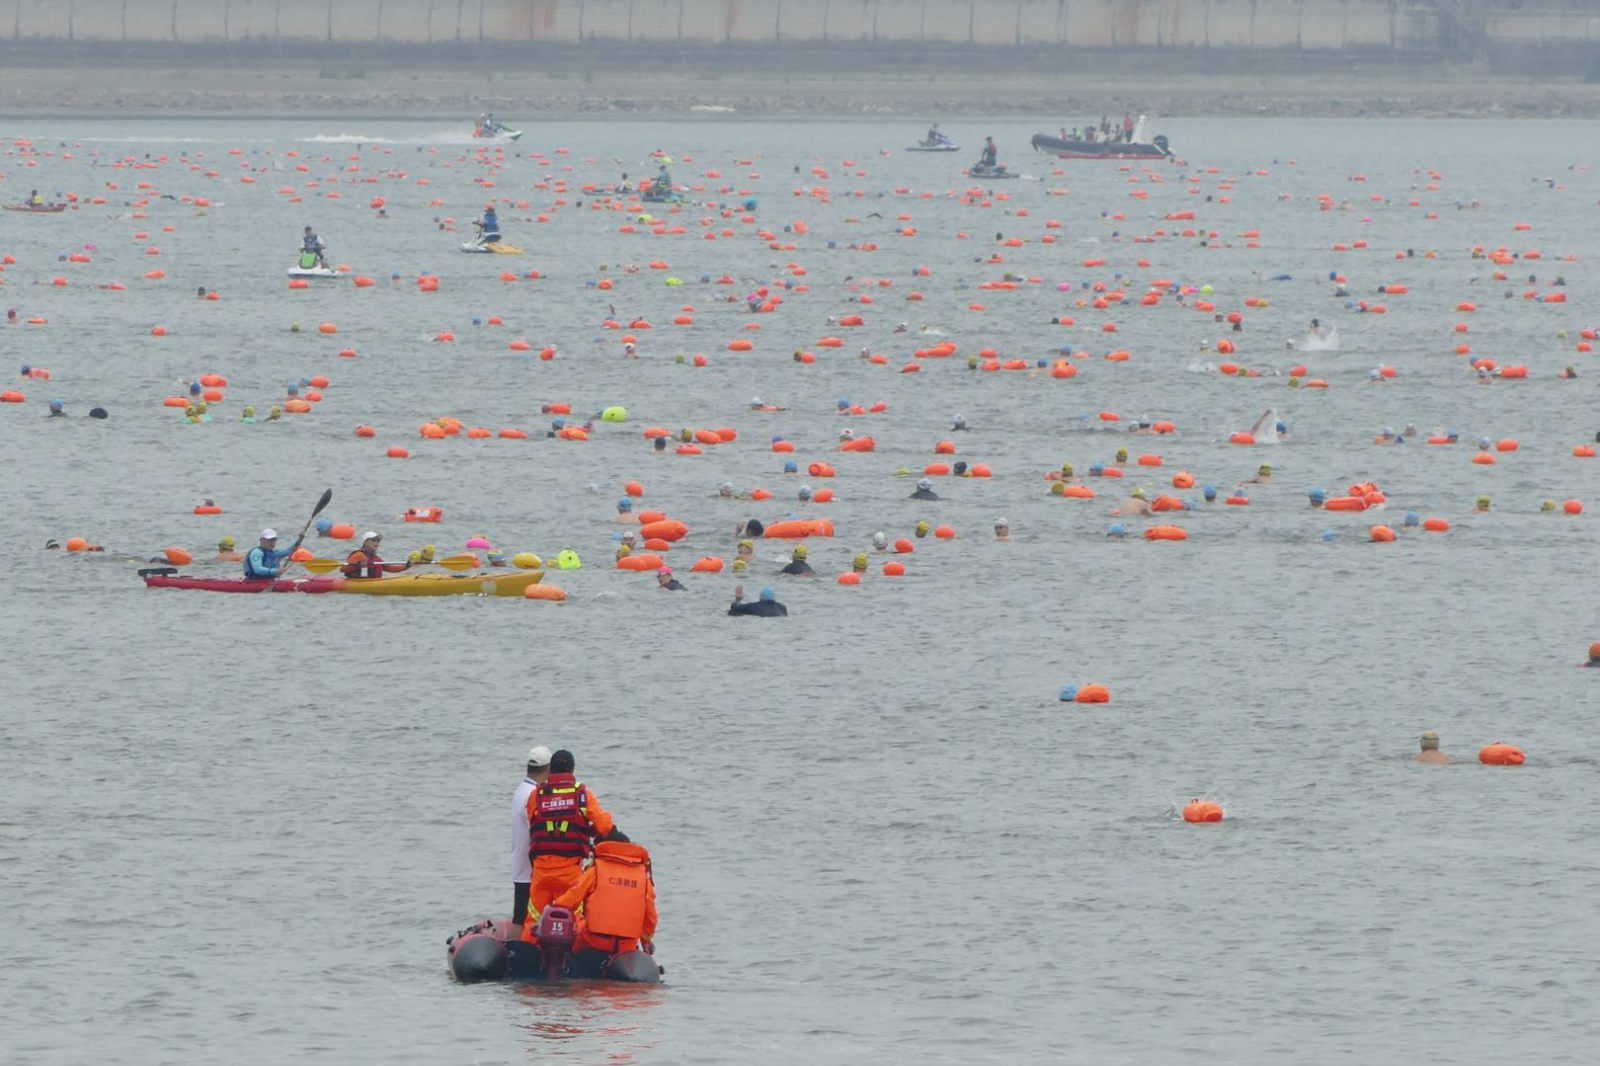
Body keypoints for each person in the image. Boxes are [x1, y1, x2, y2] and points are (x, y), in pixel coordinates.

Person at [521, 749, 619, 941]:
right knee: (573, 920)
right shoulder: (582, 795)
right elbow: (603, 825)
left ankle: (529, 957)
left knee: (533, 920)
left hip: (541, 873)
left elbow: (532, 819)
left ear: (550, 770)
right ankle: (571, 962)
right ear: (572, 770)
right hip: (570, 874)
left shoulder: (536, 795)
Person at [551, 838, 658, 958]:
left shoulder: (596, 871)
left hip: (595, 941)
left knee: (578, 930)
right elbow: (651, 917)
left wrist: (551, 908)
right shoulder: (644, 878)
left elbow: (571, 898)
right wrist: (646, 941)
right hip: (627, 946)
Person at [511, 745, 553, 928]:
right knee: (528, 919)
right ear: (548, 769)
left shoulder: (521, 790)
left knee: (519, 916)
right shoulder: (533, 795)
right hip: (532, 871)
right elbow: (539, 833)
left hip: (520, 865)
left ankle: (514, 951)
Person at [341, 531, 411, 578]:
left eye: (378, 541)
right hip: (358, 582)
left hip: (372, 582)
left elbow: (390, 568)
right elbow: (343, 569)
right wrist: (357, 566)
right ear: (365, 542)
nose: (376, 543)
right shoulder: (359, 555)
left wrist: (407, 565)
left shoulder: (375, 558)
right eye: (373, 540)